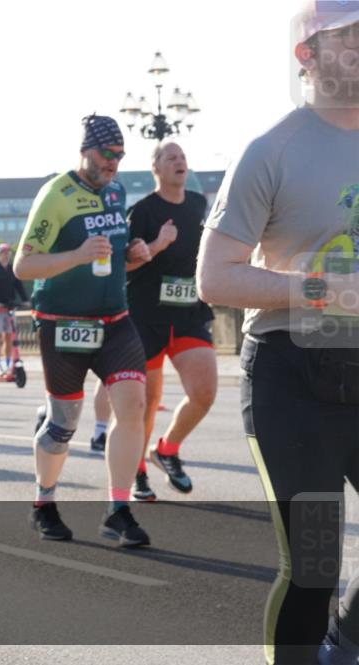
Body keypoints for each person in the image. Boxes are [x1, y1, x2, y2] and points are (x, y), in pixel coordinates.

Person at [197, 4, 359, 662]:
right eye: (348, 39)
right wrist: (321, 291)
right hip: (294, 373)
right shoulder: (272, 149)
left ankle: (344, 641)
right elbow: (214, 277)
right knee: (316, 562)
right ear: (307, 57)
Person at [14, 114, 152, 548]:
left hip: (114, 319)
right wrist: (75, 254)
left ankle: (118, 509)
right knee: (64, 423)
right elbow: (24, 266)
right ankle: (44, 503)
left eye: (120, 156)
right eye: (107, 155)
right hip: (63, 323)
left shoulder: (116, 190)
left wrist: (136, 253)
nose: (114, 163)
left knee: (133, 403)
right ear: (86, 151)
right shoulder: (56, 195)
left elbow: (112, 255)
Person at [125, 140, 218, 500]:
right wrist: (158, 245)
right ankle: (136, 471)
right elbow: (128, 264)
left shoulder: (198, 204)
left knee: (204, 392)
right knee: (146, 401)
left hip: (188, 312)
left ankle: (167, 449)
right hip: (146, 316)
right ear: (156, 169)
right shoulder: (143, 211)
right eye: (170, 158)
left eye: (182, 156)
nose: (179, 161)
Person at [0, 243, 30, 375]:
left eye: (8, 253)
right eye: (4, 252)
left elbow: (18, 285)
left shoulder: (12, 269)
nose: (7, 255)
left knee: (9, 336)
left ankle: (8, 362)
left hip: (9, 306)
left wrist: (25, 300)